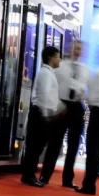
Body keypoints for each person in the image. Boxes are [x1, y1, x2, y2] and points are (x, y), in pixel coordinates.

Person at [40, 40, 91, 187]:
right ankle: (45, 176)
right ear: (71, 48)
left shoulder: (85, 70)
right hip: (61, 105)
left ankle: (68, 179)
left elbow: (87, 88)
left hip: (77, 106)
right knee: (55, 143)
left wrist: (84, 96)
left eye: (80, 49)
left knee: (74, 145)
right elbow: (52, 86)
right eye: (76, 48)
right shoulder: (60, 66)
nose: (77, 51)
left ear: (82, 52)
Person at [21, 46, 63, 188]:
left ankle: (28, 175)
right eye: (58, 56)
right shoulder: (45, 73)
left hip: (42, 114)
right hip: (40, 114)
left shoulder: (48, 73)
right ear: (51, 58)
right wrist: (46, 114)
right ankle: (28, 176)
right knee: (35, 146)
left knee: (37, 147)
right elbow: (43, 95)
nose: (60, 60)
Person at [77, 67, 99, 195]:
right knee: (97, 149)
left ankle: (89, 185)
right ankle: (90, 184)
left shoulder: (98, 73)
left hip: (98, 112)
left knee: (92, 149)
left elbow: (90, 95)